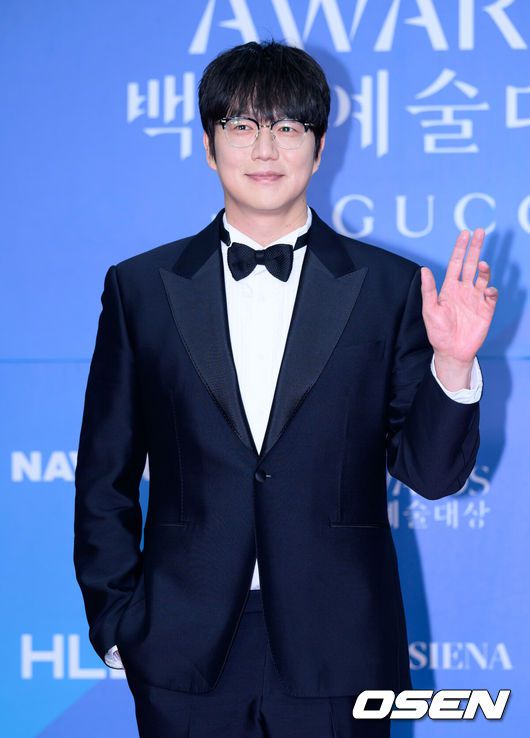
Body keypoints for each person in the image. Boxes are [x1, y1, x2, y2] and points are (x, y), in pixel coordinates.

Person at [73, 40, 498, 738]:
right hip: (181, 647)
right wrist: (119, 622)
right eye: (242, 125)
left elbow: (432, 474)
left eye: (288, 126)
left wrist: (453, 364)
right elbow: (103, 474)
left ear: (320, 147)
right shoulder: (140, 289)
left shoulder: (389, 288)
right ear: (209, 145)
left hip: (341, 646)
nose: (265, 148)